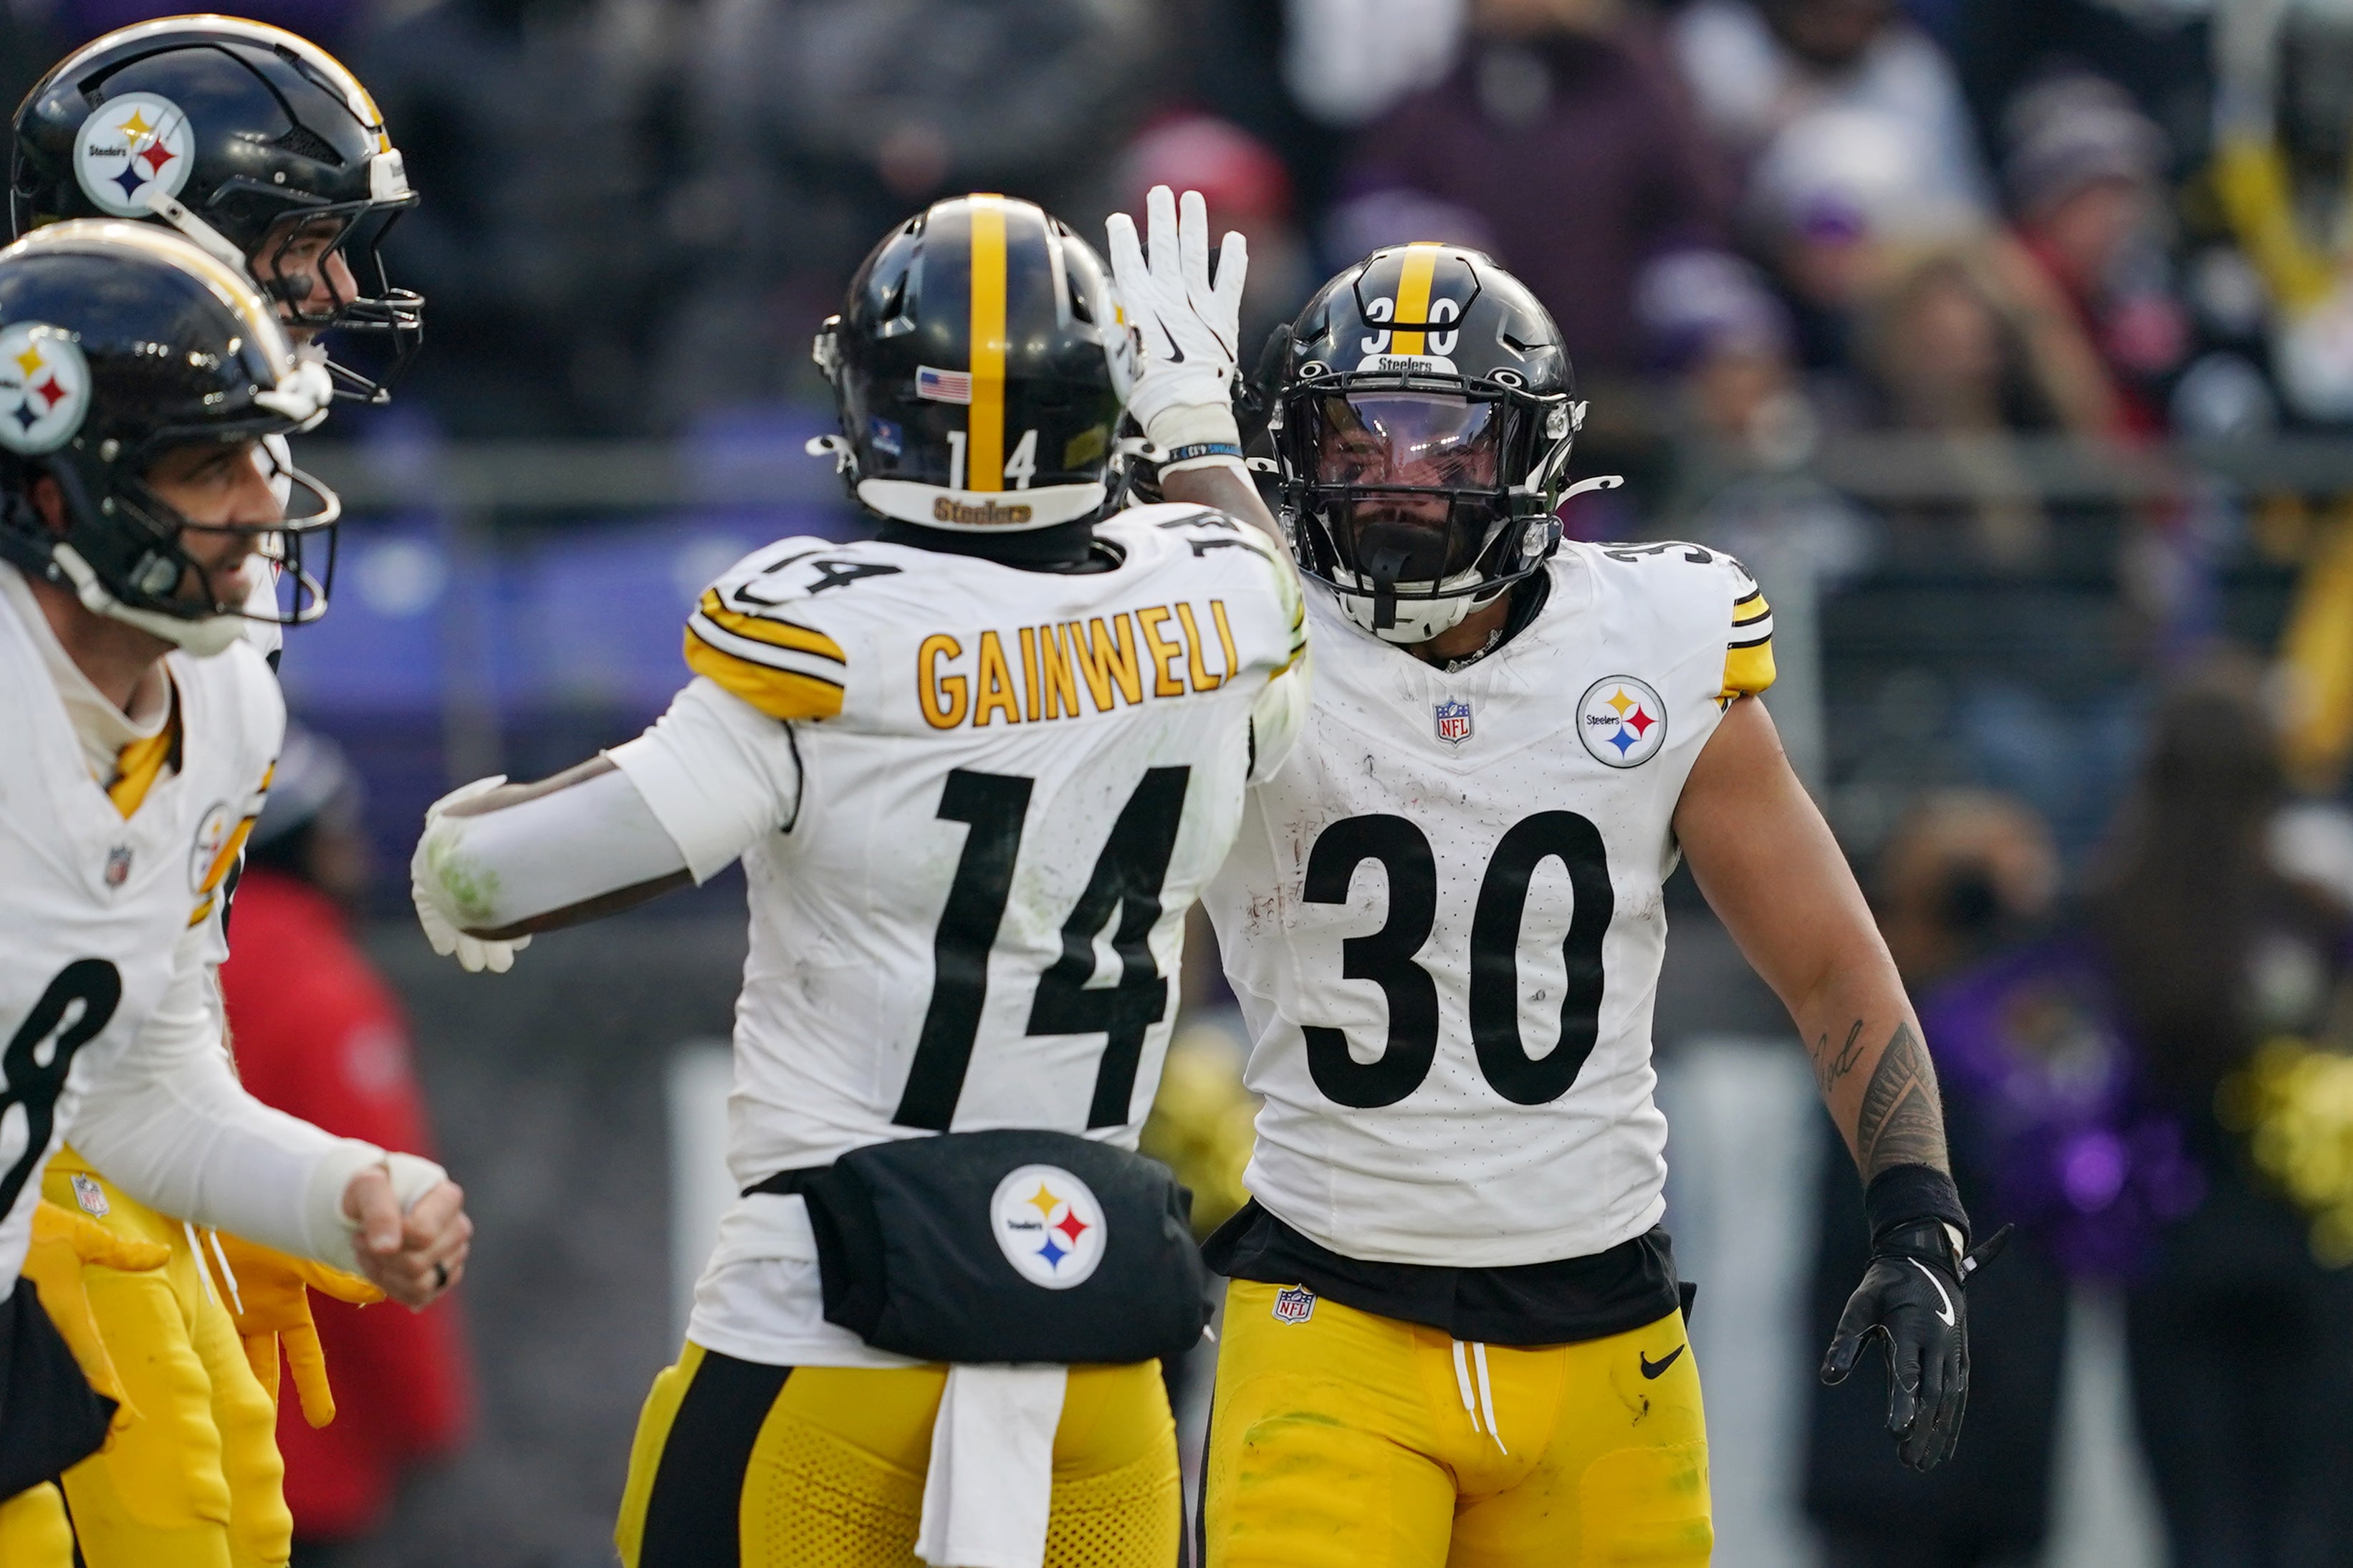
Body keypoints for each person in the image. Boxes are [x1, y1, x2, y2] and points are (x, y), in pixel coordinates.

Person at [408, 189, 1308, 1567]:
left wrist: (455, 843)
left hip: (825, 1330)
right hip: (1092, 1352)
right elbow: (1276, 619)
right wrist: (1195, 429)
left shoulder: (832, 636)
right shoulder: (1221, 596)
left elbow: (494, 878)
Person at [1176, 229, 1998, 1566]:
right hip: (1332, 1315)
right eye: (1355, 439)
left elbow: (1831, 967)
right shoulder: (1245, 633)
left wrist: (1919, 1216)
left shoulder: (1652, 641)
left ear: (1536, 455)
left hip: (1603, 1346)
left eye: (1444, 443)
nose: (1395, 482)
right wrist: (1171, 447)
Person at [6, 26, 436, 1568]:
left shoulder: (210, 651)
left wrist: (279, 1177)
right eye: (304, 243)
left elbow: (145, 1014)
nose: (335, 291)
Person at [218, 728, 473, 1561]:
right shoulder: (318, 989)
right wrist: (425, 1412)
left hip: (120, 1435)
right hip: (296, 1449)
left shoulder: (140, 974)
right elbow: (387, 1223)